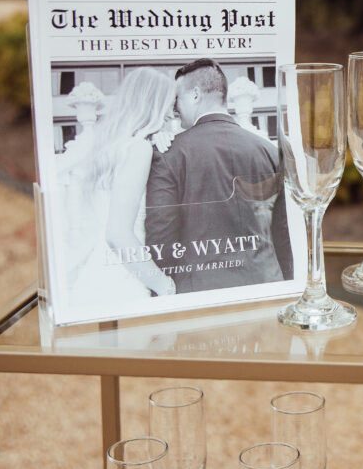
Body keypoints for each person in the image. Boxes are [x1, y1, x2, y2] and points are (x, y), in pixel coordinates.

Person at [145, 58, 293, 293]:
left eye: (177, 98)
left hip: (198, 297)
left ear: (194, 95)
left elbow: (160, 239)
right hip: (264, 287)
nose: (174, 108)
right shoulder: (270, 152)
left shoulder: (168, 155)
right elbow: (285, 236)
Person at [59, 67, 179, 305]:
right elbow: (118, 234)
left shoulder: (108, 147)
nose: (172, 113)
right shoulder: (138, 149)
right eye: (169, 104)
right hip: (126, 280)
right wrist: (164, 286)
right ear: (153, 104)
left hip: (97, 274)